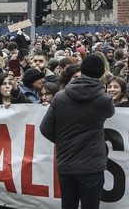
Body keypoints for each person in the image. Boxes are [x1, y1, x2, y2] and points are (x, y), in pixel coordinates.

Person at [40, 54, 114, 209]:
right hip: (92, 165)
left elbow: (45, 128)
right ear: (102, 73)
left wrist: (63, 141)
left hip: (66, 163)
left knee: (68, 205)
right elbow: (110, 113)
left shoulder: (60, 97)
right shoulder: (104, 100)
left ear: (83, 70)